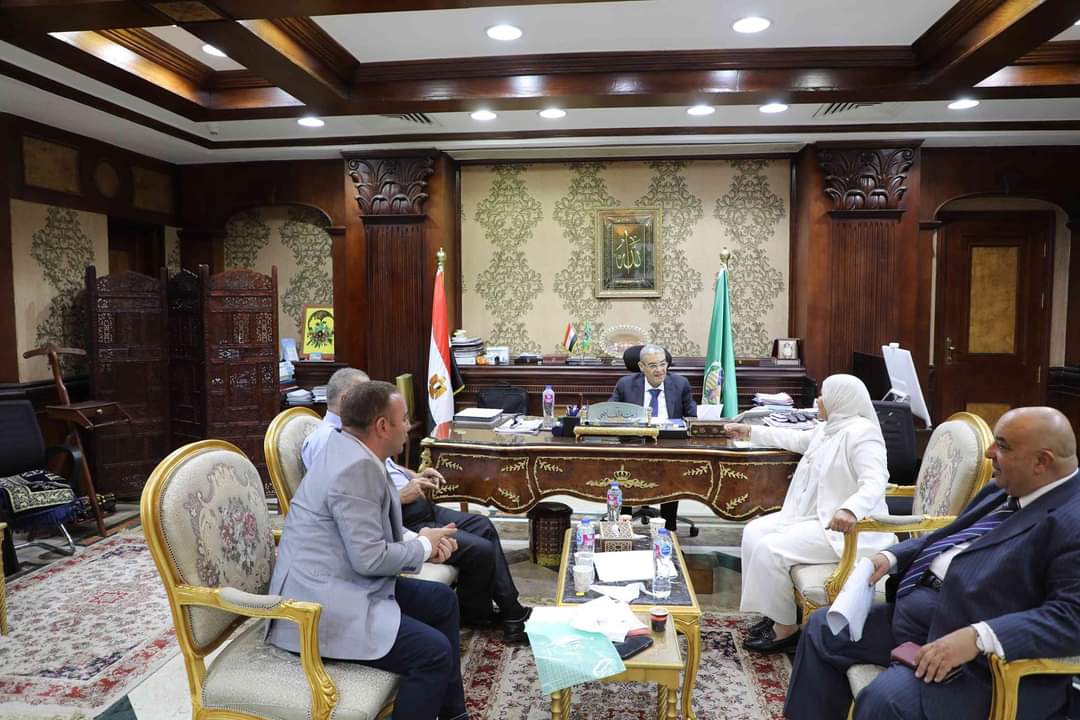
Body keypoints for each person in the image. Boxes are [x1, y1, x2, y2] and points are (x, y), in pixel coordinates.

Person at [785, 406, 1080, 720]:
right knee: (822, 629)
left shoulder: (1071, 521)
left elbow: (1072, 617)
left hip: (977, 659)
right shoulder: (1005, 487)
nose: (990, 452)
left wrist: (978, 636)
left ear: (1042, 461)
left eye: (1003, 446)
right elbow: (952, 536)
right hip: (924, 616)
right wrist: (892, 556)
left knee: (884, 700)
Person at [269, 380, 469, 720]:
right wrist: (423, 545)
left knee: (443, 601)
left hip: (342, 580)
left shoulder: (351, 450)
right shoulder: (355, 468)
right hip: (318, 608)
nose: (408, 426)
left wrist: (422, 543)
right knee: (432, 653)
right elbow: (370, 559)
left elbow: (366, 529)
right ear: (382, 426)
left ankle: (454, 715)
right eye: (404, 419)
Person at [303, 367, 531, 643]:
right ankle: (503, 617)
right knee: (480, 549)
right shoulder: (327, 441)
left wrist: (412, 475)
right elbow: (348, 505)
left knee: (482, 524)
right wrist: (403, 499)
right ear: (348, 399)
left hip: (414, 506)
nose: (408, 425)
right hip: (399, 517)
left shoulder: (360, 434)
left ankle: (492, 612)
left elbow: (386, 468)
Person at [725, 374, 894, 653]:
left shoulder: (862, 433)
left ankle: (785, 630)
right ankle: (775, 612)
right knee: (753, 531)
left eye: (823, 395)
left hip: (847, 529)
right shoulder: (830, 428)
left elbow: (876, 481)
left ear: (840, 399)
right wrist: (749, 432)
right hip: (817, 517)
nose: (818, 400)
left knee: (770, 549)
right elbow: (795, 438)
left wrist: (850, 509)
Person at [609, 343, 697, 531]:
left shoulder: (680, 384)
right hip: (634, 443)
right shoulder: (625, 384)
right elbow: (610, 414)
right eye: (653, 365)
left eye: (663, 364)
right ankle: (622, 527)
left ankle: (669, 528)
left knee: (672, 472)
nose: (660, 370)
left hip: (669, 445)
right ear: (641, 367)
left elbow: (692, 417)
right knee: (623, 469)